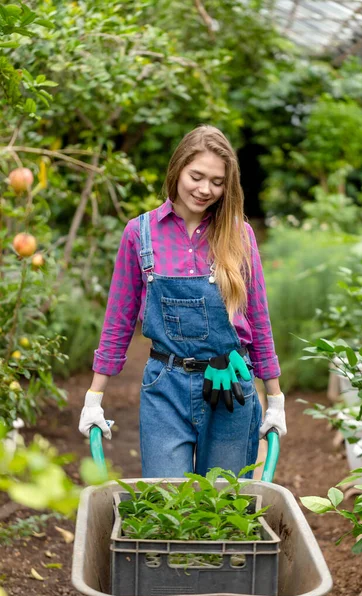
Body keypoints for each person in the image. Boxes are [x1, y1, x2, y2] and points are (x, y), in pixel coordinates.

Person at [78, 125, 286, 478]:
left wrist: (276, 400)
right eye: (197, 176)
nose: (205, 189)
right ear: (177, 170)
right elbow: (119, 319)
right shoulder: (139, 233)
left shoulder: (238, 234)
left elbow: (259, 320)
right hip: (165, 386)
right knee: (168, 504)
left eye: (217, 182)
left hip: (229, 386)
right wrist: (93, 398)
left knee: (223, 508)